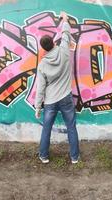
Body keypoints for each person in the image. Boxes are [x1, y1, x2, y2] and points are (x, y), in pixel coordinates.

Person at [35, 11, 80, 164]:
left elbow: (40, 87)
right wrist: (65, 19)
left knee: (46, 128)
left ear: (44, 49)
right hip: (66, 97)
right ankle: (74, 157)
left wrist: (37, 107)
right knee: (71, 127)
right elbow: (66, 33)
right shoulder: (64, 51)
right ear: (54, 43)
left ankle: (44, 156)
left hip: (50, 101)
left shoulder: (42, 64)